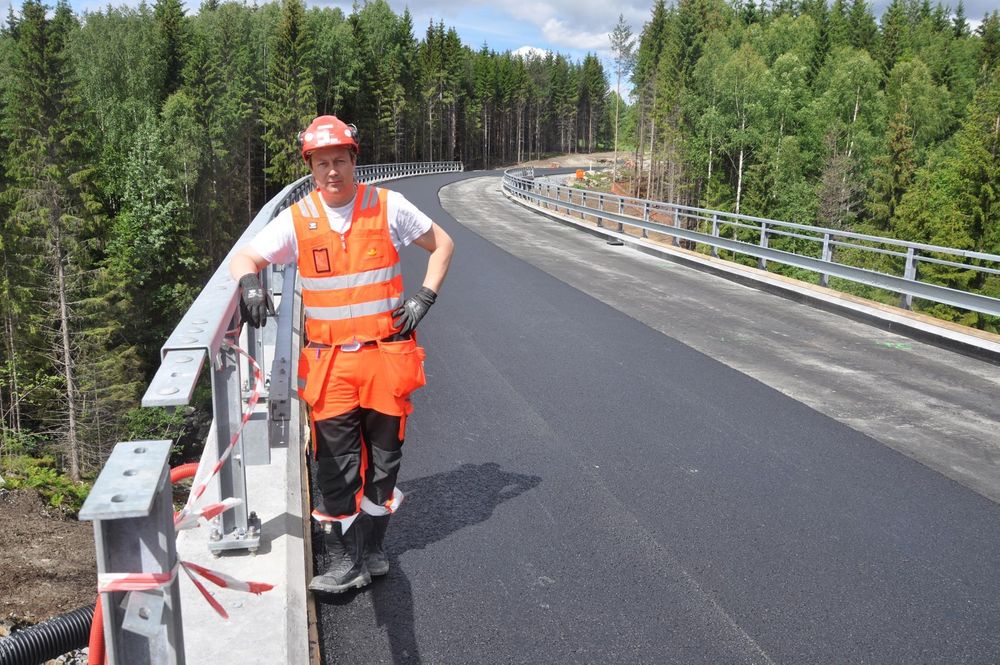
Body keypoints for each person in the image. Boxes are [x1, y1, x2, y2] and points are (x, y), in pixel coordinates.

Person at [229, 115, 454, 593]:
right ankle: (342, 560)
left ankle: (373, 549)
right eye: (321, 162)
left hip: (385, 360)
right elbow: (244, 258)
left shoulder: (388, 207)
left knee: (386, 460)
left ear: (355, 160)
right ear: (310, 167)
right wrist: (250, 286)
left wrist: (424, 298)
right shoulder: (297, 220)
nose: (332, 170)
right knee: (334, 464)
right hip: (330, 364)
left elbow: (443, 245)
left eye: (340, 160)